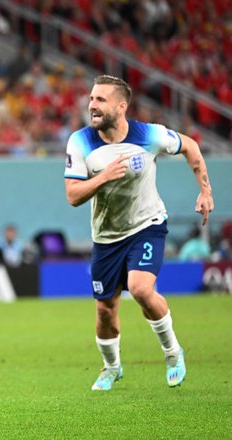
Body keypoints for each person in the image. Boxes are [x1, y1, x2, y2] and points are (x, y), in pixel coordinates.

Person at [64, 75, 214, 391]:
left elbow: (190, 146)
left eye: (100, 100)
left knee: (142, 288)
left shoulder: (148, 135)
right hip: (106, 237)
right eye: (91, 99)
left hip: (147, 225)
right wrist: (104, 176)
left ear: (122, 106)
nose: (92, 105)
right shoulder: (80, 142)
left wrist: (205, 192)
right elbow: (73, 195)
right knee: (105, 310)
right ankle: (111, 367)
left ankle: (173, 353)